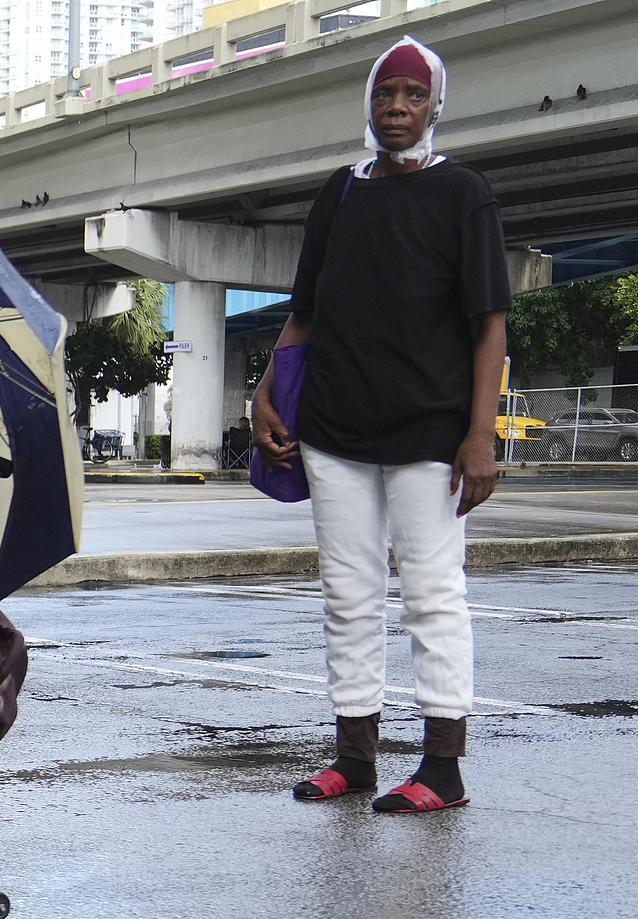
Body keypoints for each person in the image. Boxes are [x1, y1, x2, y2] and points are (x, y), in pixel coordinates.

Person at [251, 36, 509, 814]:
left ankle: (443, 767)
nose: (397, 107)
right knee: (349, 594)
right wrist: (265, 390)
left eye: (413, 95)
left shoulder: (464, 194)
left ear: (437, 105)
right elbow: (308, 312)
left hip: (430, 433)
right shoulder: (340, 193)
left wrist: (479, 433)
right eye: (386, 93)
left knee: (433, 595)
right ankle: (354, 756)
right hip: (334, 428)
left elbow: (488, 324)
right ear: (369, 101)